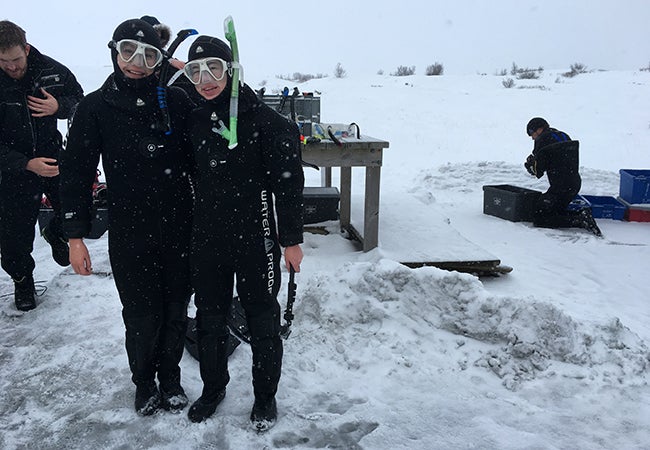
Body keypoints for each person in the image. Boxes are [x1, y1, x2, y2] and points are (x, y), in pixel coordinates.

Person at [59, 18, 195, 416]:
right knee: (140, 314)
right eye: (129, 52)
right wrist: (74, 236)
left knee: (174, 307)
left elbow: (212, 143)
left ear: (159, 59)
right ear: (114, 52)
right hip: (129, 229)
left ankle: (170, 378)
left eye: (148, 55)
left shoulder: (177, 102)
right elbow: (77, 172)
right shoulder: (95, 108)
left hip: (177, 224)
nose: (137, 62)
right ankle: (144, 382)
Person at [182, 35, 304, 431]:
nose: (205, 79)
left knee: (262, 319)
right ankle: (213, 388)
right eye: (195, 71)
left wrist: (292, 240)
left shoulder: (266, 120)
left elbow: (289, 185)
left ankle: (265, 397)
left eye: (214, 68)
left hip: (257, 236)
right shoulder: (194, 118)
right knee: (210, 318)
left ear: (231, 69)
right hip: (208, 237)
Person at [0, 20, 84, 311]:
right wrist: (25, 164)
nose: (11, 67)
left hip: (51, 156)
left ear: (26, 48)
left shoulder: (51, 70)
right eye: (4, 61)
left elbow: (80, 100)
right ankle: (23, 281)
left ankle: (57, 231)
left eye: (16, 59)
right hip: (12, 169)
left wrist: (59, 107)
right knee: (13, 237)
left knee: (77, 207)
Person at [524, 117, 601, 236]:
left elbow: (538, 171)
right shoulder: (562, 135)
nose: (532, 137)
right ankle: (578, 216)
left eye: (531, 133)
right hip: (574, 184)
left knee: (540, 217)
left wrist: (530, 165)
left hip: (560, 187)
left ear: (539, 129)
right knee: (554, 208)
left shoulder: (543, 139)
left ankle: (580, 219)